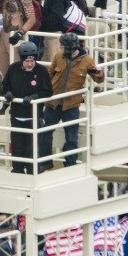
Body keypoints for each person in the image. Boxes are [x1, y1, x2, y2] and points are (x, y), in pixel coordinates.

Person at [43, 33, 104, 168]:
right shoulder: (59, 56)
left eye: (62, 46)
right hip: (53, 103)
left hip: (71, 105)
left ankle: (70, 164)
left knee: (71, 138)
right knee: (45, 134)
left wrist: (100, 74)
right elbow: (50, 73)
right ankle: (45, 162)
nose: (60, 48)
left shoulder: (87, 60)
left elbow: (98, 78)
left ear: (69, 47)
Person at [2, 41, 52, 173]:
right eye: (27, 61)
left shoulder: (41, 71)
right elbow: (4, 86)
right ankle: (17, 169)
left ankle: (32, 170)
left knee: (32, 146)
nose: (30, 64)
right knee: (17, 145)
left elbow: (48, 91)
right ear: (22, 59)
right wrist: (7, 94)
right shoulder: (13, 69)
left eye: (32, 61)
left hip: (33, 116)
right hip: (17, 115)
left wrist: (34, 97)